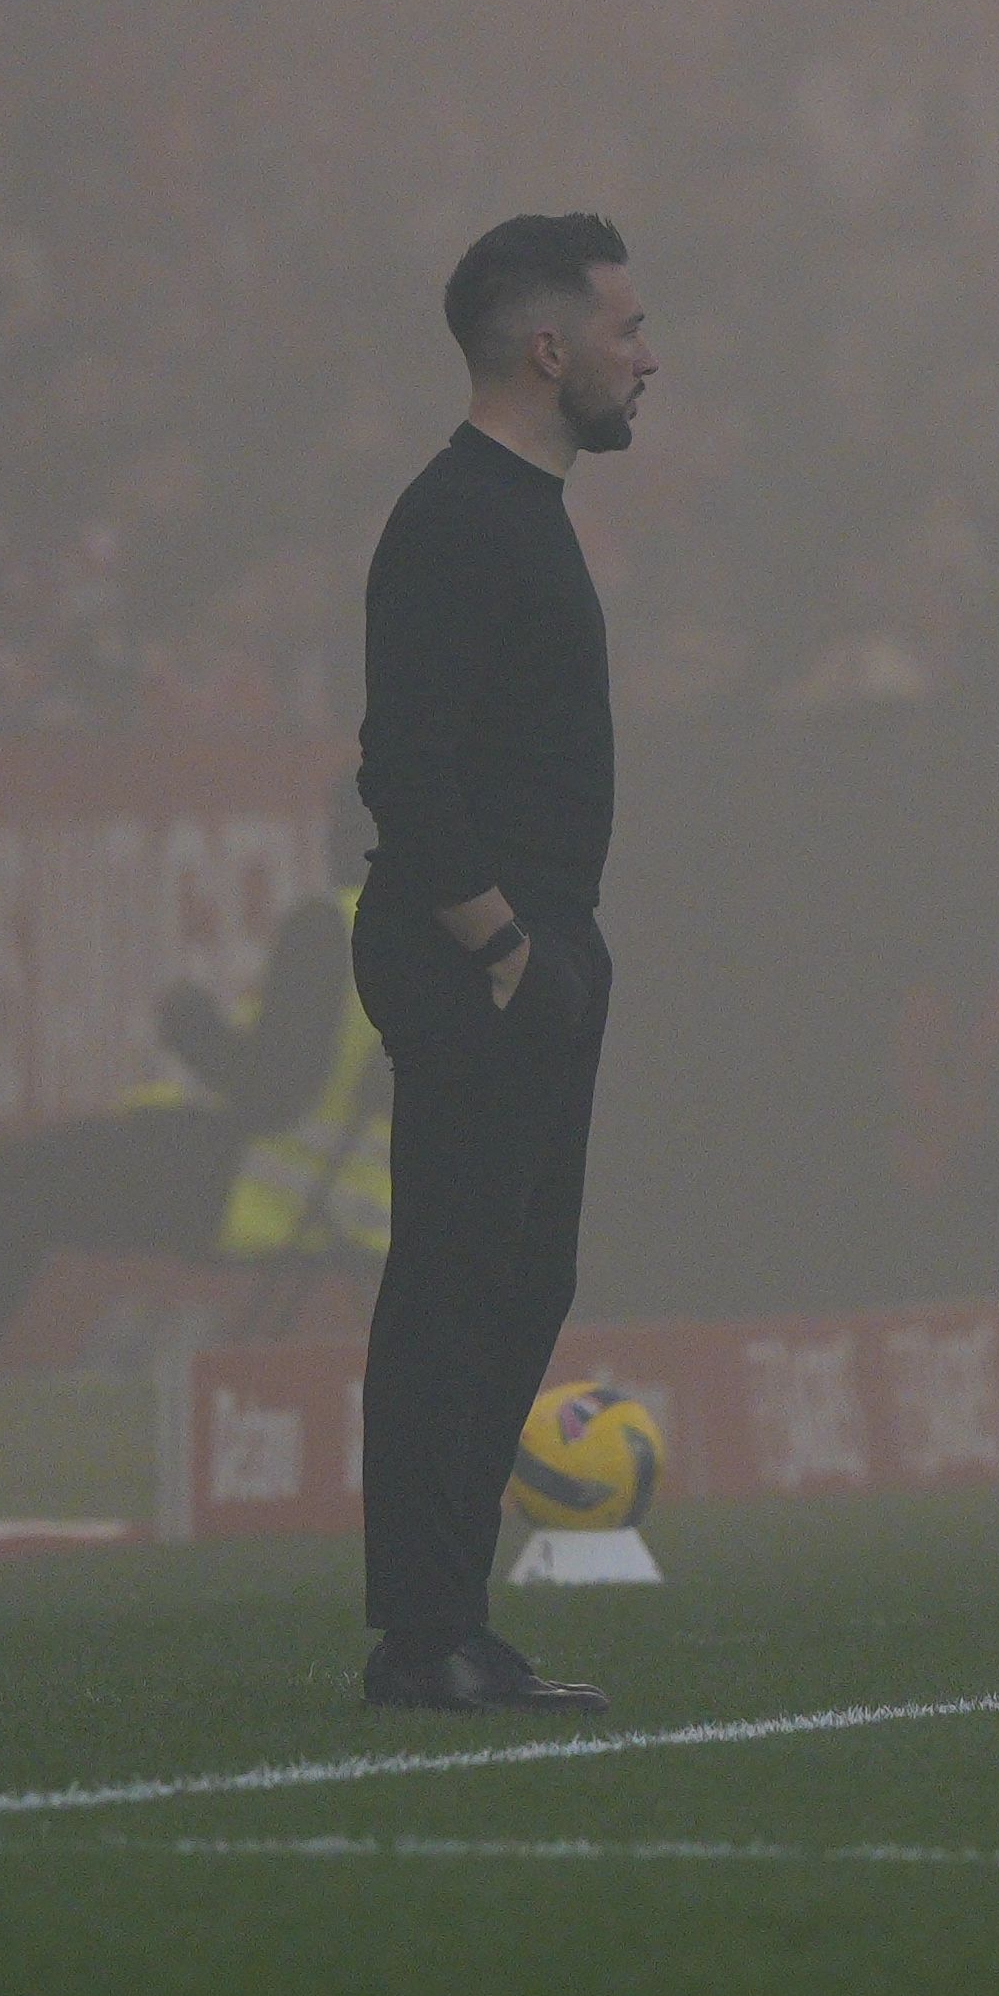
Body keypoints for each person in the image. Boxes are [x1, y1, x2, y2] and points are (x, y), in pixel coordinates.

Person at [351, 213, 651, 1714]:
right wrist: (502, 942)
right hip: (480, 949)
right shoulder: (463, 519)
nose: (645, 360)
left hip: (532, 944)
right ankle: (423, 1635)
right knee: (458, 1290)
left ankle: (450, 1621)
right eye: (625, 329)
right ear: (549, 348)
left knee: (516, 1285)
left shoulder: (518, 513)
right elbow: (402, 765)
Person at [0, 869, 386, 1475]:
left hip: (259, 1187)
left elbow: (273, 1095)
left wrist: (192, 1027)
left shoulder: (335, 922)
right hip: (371, 1207)